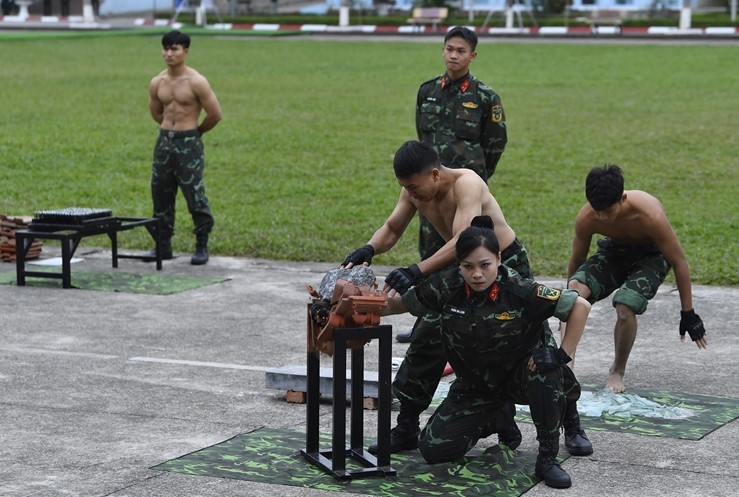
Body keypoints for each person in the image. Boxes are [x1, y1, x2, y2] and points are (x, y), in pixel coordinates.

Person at [342, 141, 592, 459]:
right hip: (463, 267)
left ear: (434, 174)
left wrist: (416, 271)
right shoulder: (414, 189)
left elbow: (462, 238)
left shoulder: (467, 183)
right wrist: (370, 248)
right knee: (427, 336)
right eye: (406, 188)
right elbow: (392, 228)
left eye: (414, 187)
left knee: (537, 347)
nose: (411, 194)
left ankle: (571, 422)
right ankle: (406, 426)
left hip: (501, 264)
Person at [381, 216, 592, 488]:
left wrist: (562, 354)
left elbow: (579, 307)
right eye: (468, 267)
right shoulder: (447, 286)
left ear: (499, 259)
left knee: (546, 369)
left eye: (485, 265)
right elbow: (400, 305)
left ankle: (548, 456)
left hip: (521, 377)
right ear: (459, 265)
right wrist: (355, 307)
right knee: (434, 450)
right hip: (476, 385)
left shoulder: (519, 289)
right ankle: (499, 418)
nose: (477, 274)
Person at [561, 164, 707, 393]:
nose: (602, 217)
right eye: (597, 210)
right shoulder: (588, 217)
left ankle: (617, 371)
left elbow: (679, 261)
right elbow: (578, 258)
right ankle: (566, 366)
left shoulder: (650, 215)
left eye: (608, 211)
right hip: (615, 252)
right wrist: (567, 301)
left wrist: (688, 313)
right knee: (575, 289)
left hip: (652, 255)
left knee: (625, 304)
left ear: (623, 198)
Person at [403, 26, 508, 343]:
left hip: (464, 190)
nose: (453, 55)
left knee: (467, 253)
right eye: (449, 49)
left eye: (460, 51)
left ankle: (466, 323)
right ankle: (426, 324)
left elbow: (495, 143)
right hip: (431, 187)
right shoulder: (427, 91)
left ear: (472, 55)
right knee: (430, 252)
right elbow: (422, 136)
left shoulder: (485, 97)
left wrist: (477, 175)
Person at [148, 30, 222, 265]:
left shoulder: (196, 81)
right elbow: (156, 111)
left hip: (188, 142)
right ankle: (163, 244)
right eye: (166, 49)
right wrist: (169, 129)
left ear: (185, 51)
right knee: (160, 192)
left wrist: (196, 131)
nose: (169, 53)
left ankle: (201, 244)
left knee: (194, 194)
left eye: (175, 49)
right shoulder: (157, 81)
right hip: (164, 141)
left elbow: (215, 114)